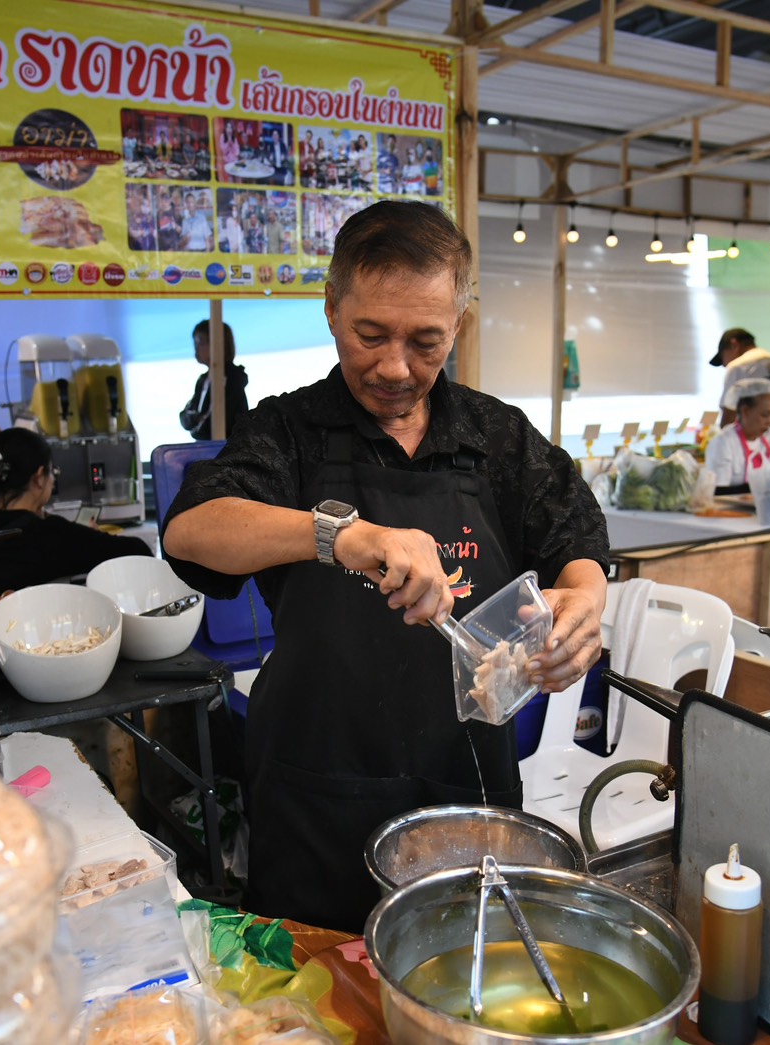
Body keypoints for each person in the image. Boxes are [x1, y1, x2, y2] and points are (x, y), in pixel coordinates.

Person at [161, 200, 609, 932]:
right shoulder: (290, 430)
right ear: (331, 309)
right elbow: (191, 530)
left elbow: (576, 534)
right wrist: (341, 535)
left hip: (466, 788)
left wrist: (582, 602)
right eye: (370, 335)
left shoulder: (495, 436)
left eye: (426, 341)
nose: (395, 367)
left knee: (464, 968)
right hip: (315, 790)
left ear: (459, 325)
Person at [0, 428, 151, 597]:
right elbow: (139, 551)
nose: (53, 479)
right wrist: (91, 535)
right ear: (39, 477)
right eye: (52, 472)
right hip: (18, 630)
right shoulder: (46, 535)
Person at [712, 327, 770, 462]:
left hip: (766, 452)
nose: (724, 364)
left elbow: (728, 416)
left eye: (722, 358)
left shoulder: (739, 366)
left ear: (734, 344)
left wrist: (720, 449)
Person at [704, 378, 770, 493]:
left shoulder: (769, 438)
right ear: (745, 411)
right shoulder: (724, 443)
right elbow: (719, 491)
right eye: (765, 415)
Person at [178, 320, 249, 440]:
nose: (196, 349)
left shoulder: (233, 378)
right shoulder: (203, 380)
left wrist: (197, 424)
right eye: (195, 344)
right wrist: (195, 419)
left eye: (201, 343)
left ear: (219, 344)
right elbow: (185, 416)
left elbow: (215, 423)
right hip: (205, 446)